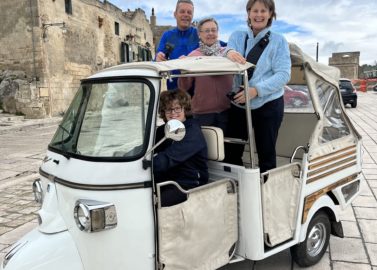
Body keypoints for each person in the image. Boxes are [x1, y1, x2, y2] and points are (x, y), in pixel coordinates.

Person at [225, 0, 291, 173]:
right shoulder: (237, 36)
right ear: (248, 13)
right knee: (232, 152)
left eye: (264, 11)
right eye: (255, 10)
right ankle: (239, 188)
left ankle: (265, 193)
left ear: (270, 14)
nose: (259, 15)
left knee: (266, 154)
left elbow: (283, 74)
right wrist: (229, 52)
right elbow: (227, 51)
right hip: (239, 103)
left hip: (268, 104)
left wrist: (256, 91)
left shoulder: (279, 41)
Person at [153, 89, 208, 207]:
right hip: (167, 180)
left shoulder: (192, 132)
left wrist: (144, 166)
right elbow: (150, 149)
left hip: (188, 184)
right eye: (168, 109)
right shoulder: (163, 130)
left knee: (153, 203)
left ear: (185, 109)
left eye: (177, 108)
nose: (173, 113)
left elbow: (168, 158)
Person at [177, 18, 233, 132]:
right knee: (205, 147)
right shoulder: (193, 56)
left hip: (228, 110)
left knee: (227, 147)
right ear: (199, 34)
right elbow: (183, 87)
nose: (211, 33)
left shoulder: (227, 53)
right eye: (207, 31)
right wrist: (183, 70)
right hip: (202, 113)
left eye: (214, 30)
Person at [155, 0, 199, 90]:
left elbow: (218, 45)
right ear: (175, 14)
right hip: (174, 90)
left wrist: (230, 50)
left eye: (189, 12)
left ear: (192, 15)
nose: (186, 14)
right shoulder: (167, 35)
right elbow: (158, 57)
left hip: (197, 90)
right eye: (182, 11)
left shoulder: (199, 34)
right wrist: (158, 58)